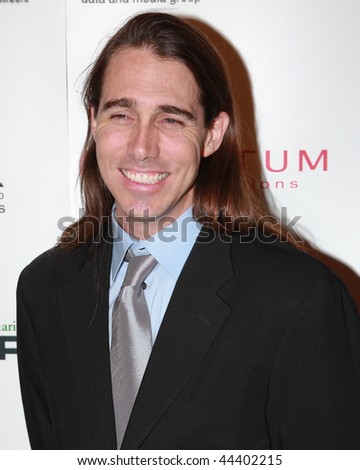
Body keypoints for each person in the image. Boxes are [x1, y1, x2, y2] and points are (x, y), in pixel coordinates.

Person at [17, 12, 360, 450]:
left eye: (171, 120)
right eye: (121, 114)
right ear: (93, 122)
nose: (142, 147)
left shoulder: (300, 299)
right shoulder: (43, 289)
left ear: (213, 134)